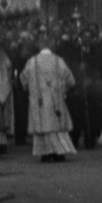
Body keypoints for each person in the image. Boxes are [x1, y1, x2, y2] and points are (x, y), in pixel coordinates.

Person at [21, 32, 76, 162]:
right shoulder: (59, 61)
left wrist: (31, 89)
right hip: (56, 101)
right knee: (56, 127)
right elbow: (71, 80)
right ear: (51, 46)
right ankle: (59, 152)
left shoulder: (32, 62)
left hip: (38, 101)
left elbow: (23, 79)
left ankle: (45, 153)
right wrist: (64, 90)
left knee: (43, 127)